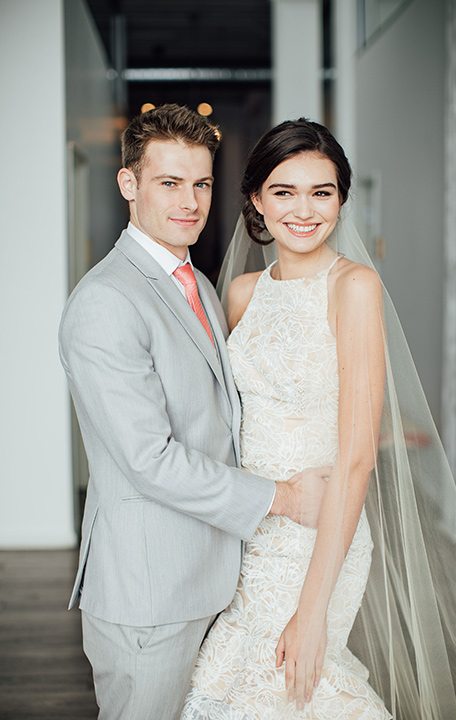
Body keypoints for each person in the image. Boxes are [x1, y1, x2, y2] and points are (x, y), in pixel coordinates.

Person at [182, 119, 456, 719]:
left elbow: (359, 455)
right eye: (284, 191)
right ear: (257, 201)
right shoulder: (241, 294)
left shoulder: (354, 287)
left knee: (291, 684)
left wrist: (312, 611)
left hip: (321, 536)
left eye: (322, 192)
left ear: (341, 200)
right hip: (253, 528)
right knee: (226, 686)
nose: (304, 210)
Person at [58, 104, 327, 720]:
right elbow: (149, 459)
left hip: (213, 573)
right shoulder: (106, 302)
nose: (190, 201)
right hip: (150, 590)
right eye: (169, 182)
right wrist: (283, 497)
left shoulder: (198, 283)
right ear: (129, 184)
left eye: (201, 183)